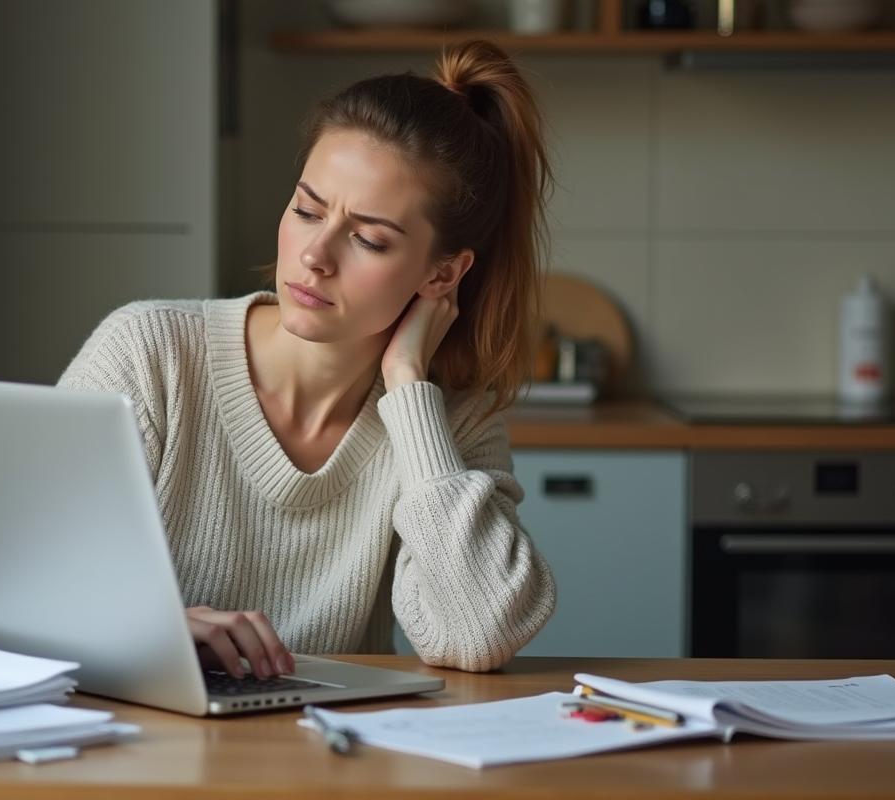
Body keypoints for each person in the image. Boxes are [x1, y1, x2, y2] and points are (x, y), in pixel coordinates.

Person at [58, 39, 556, 677]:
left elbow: (479, 633)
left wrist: (407, 388)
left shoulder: (452, 422)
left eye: (369, 239)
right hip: (142, 754)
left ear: (441, 275)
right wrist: (150, 631)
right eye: (306, 209)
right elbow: (15, 582)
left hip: (334, 763)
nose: (316, 254)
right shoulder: (148, 355)